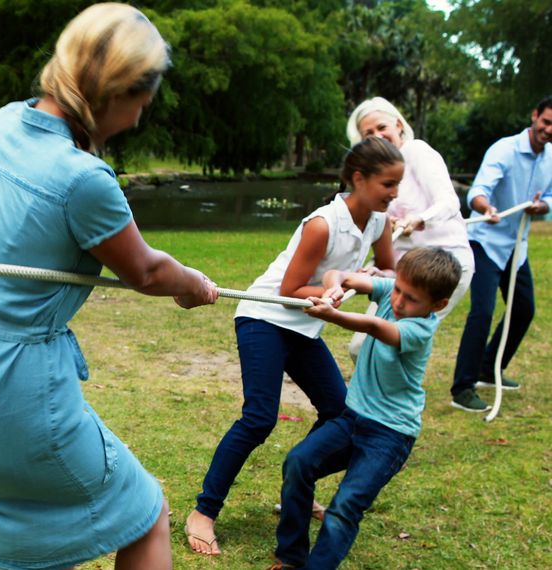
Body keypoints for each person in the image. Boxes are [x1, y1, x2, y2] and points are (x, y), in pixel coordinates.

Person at [0, 4, 218, 569]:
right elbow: (147, 271)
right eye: (140, 103)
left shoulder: (3, 122)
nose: (137, 120)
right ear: (112, 92)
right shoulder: (83, 179)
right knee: (144, 513)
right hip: (14, 393)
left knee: (41, 549)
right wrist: (192, 284)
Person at [185, 137, 399, 556]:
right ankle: (204, 512)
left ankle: (295, 487)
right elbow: (291, 288)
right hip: (265, 317)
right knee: (260, 417)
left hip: (305, 326)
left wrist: (372, 275)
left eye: (398, 185)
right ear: (359, 179)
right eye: (388, 184)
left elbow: (388, 267)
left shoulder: (378, 221)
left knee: (341, 414)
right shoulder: (322, 224)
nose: (394, 194)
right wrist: (335, 288)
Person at [269, 247, 462, 570]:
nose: (399, 301)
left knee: (346, 505)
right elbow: (344, 276)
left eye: (411, 298)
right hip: (352, 418)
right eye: (398, 289)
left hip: (390, 434)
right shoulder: (392, 292)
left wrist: (334, 315)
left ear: (438, 305)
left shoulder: (420, 329)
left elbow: (374, 327)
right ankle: (290, 556)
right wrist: (334, 287)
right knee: (299, 463)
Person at [343, 97, 475, 360]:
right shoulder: (375, 175)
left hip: (444, 265)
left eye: (382, 127)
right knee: (361, 348)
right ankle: (371, 397)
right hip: (404, 271)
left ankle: (392, 399)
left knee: (388, 347)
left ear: (399, 125)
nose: (378, 136)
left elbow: (448, 201)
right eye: (368, 134)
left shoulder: (416, 151)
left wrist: (419, 219)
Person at [450, 95, 552, 412]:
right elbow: (479, 191)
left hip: (515, 246)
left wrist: (542, 206)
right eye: (546, 122)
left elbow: (551, 197)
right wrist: (486, 207)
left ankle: (488, 368)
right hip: (486, 241)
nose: (549, 130)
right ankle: (462, 389)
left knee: (524, 309)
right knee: (482, 311)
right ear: (534, 115)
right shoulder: (504, 150)